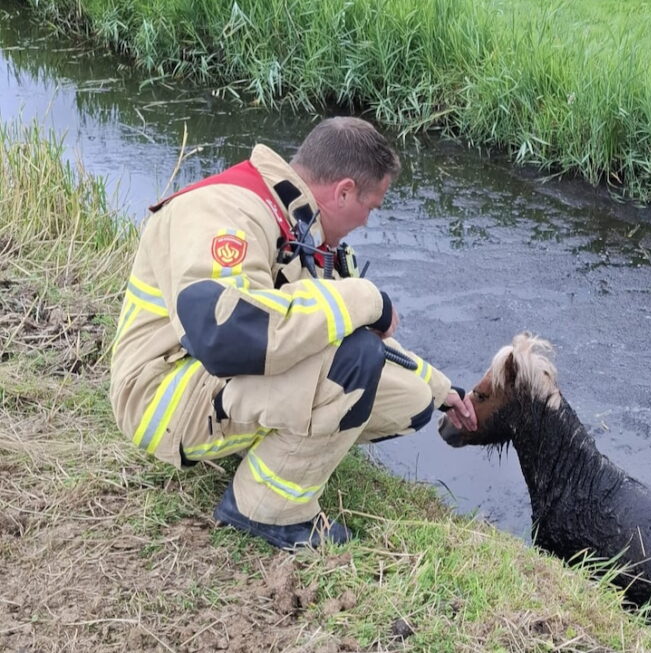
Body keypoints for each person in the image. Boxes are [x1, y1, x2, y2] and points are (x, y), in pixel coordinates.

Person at [109, 116, 476, 550]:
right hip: (161, 397)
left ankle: (276, 451)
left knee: (410, 400)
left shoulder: (299, 224)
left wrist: (440, 388)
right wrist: (364, 298)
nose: (366, 222)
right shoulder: (223, 210)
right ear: (343, 192)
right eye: (371, 207)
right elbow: (224, 335)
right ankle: (266, 510)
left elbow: (343, 332)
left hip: (213, 386)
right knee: (352, 361)